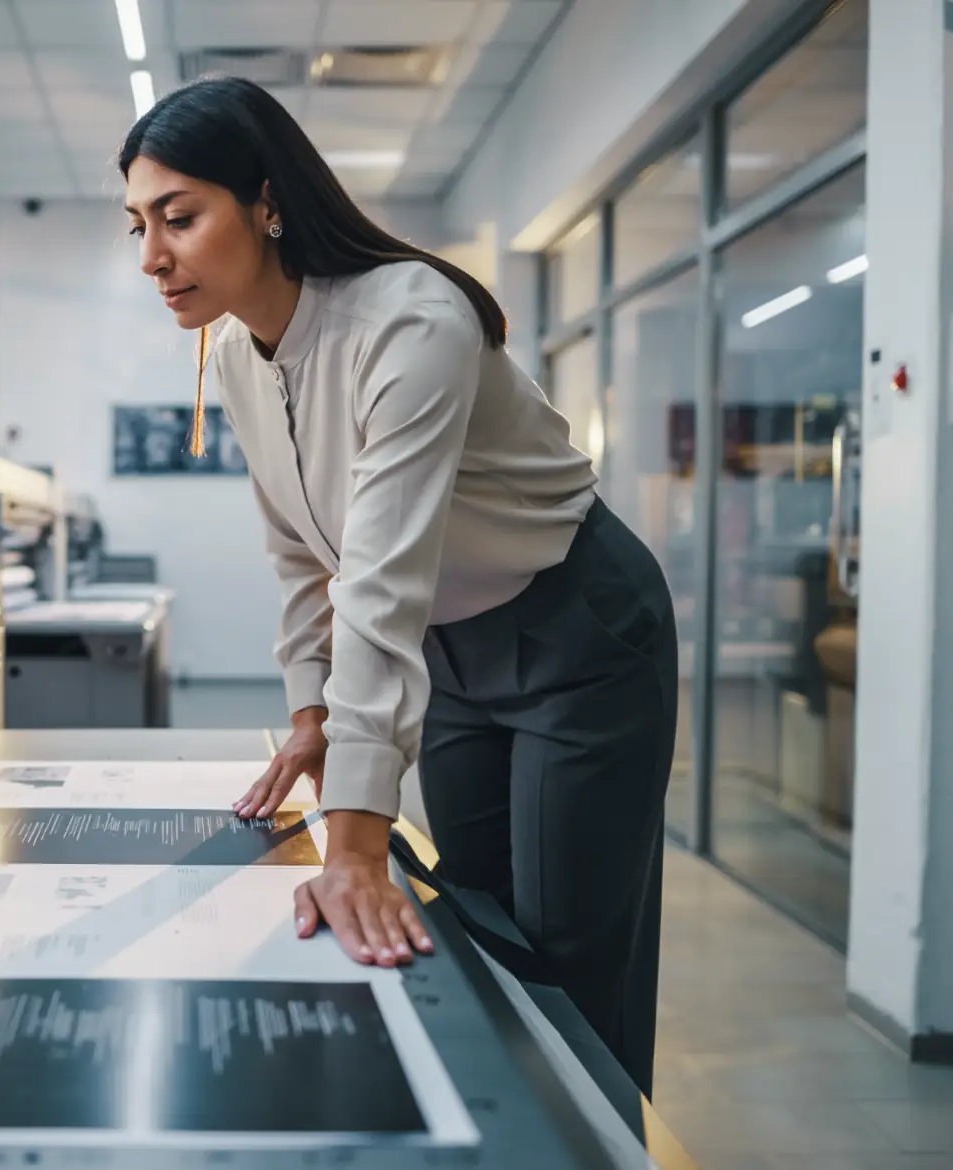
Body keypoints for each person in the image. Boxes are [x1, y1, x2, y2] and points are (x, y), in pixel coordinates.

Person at [119, 77, 679, 1095]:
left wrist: (353, 844)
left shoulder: (409, 319)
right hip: (448, 646)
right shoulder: (237, 354)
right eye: (138, 226)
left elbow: (379, 576)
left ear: (268, 202)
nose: (152, 256)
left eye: (179, 216)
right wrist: (308, 716)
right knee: (476, 920)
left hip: (578, 630)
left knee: (568, 953)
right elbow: (300, 551)